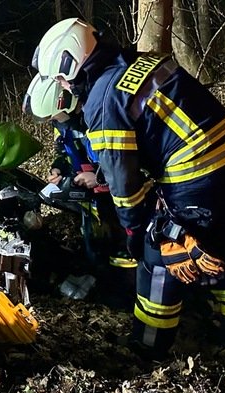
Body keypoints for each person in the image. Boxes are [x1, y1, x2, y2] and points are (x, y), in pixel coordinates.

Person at [28, 18, 225, 359]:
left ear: (71, 62)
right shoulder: (138, 61)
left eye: (60, 77)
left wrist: (138, 234)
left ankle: (149, 346)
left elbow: (124, 185)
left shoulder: (102, 100)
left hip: (194, 170)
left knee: (159, 256)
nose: (62, 85)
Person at [22, 72, 137, 309]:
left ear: (66, 103)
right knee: (95, 245)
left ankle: (128, 296)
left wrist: (99, 177)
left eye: (54, 115)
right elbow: (66, 151)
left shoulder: (98, 118)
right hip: (90, 197)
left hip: (117, 197)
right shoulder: (61, 123)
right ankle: (103, 287)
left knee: (123, 249)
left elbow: (123, 161)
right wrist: (58, 168)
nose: (54, 120)